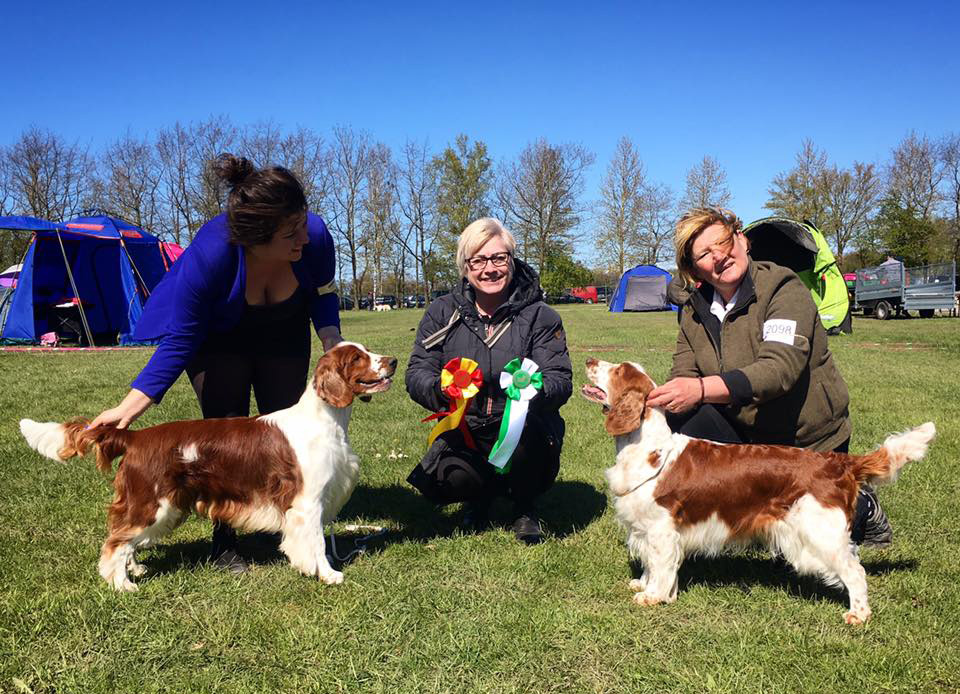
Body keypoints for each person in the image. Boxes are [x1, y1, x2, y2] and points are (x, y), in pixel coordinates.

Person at [89, 153, 343, 570]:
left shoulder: (313, 235)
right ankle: (225, 539)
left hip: (283, 331)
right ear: (256, 237)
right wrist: (127, 409)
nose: (304, 236)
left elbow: (323, 293)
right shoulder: (211, 254)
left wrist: (331, 338)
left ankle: (285, 527)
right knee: (226, 434)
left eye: (302, 222)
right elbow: (181, 340)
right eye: (290, 233)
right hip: (217, 336)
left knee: (283, 431)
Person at [647, 207, 892, 548]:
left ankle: (859, 502)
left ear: (742, 239)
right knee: (678, 428)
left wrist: (700, 389)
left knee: (804, 553)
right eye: (704, 254)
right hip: (746, 429)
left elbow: (778, 370)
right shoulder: (693, 311)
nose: (719, 256)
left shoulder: (783, 287)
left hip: (806, 437)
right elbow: (683, 375)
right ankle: (708, 521)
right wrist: (640, 404)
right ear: (693, 269)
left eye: (723, 242)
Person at [405, 218, 572, 544]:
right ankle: (480, 496)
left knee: (523, 441)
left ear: (512, 260)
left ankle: (524, 505)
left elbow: (560, 379)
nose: (489, 269)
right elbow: (417, 372)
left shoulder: (541, 315)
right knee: (447, 481)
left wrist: (533, 391)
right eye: (478, 260)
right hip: (466, 429)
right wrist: (441, 388)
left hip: (525, 430)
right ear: (465, 266)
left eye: (498, 258)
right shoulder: (441, 312)